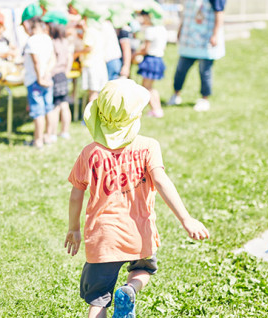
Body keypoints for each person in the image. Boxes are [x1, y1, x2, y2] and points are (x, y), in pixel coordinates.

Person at [65, 79, 210, 318]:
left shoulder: (90, 152)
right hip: (139, 233)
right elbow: (162, 182)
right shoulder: (148, 146)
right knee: (143, 269)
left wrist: (74, 228)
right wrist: (186, 219)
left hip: (103, 237)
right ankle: (130, 289)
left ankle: (118, 297)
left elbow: (75, 194)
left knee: (99, 300)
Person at [167, 0, 226, 112]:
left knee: (205, 72)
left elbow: (219, 13)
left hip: (205, 39)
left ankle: (204, 98)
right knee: (180, 70)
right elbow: (186, 13)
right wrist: (180, 30)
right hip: (189, 39)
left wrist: (215, 34)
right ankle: (176, 94)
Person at [21, 4, 57, 148]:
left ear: (27, 24)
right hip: (47, 79)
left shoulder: (31, 41)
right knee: (49, 108)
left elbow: (36, 61)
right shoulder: (47, 39)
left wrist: (40, 77)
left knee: (38, 112)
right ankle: (49, 136)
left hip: (36, 80)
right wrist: (47, 73)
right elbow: (53, 58)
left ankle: (38, 140)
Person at [134, 3, 168, 118]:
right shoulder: (162, 29)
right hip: (158, 59)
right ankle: (157, 108)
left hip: (150, 60)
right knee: (151, 87)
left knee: (146, 88)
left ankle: (156, 109)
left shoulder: (150, 30)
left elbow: (146, 49)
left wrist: (136, 53)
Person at [43, 11, 73, 140]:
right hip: (62, 74)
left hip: (54, 74)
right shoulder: (65, 41)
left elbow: (51, 60)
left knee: (54, 106)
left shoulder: (52, 42)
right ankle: (65, 131)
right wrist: (66, 71)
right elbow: (69, 58)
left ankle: (52, 133)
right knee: (64, 104)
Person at [73, 7, 108, 103]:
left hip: (91, 64)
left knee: (92, 94)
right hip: (100, 63)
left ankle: (90, 116)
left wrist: (76, 54)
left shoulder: (90, 31)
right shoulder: (100, 30)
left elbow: (89, 47)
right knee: (98, 92)